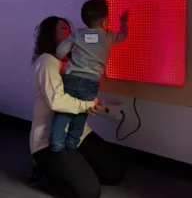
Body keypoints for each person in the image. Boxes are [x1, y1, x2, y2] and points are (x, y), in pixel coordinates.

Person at [29, 16, 125, 198]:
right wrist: (87, 104)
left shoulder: (74, 63)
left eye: (69, 28)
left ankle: (73, 166)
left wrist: (93, 106)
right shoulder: (47, 61)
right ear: (50, 34)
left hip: (77, 133)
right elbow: (57, 101)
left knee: (115, 173)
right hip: (49, 139)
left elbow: (81, 97)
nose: (69, 32)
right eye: (63, 28)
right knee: (90, 192)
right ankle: (44, 172)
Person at [50, 0, 128, 152]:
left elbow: (60, 51)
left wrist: (59, 58)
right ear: (105, 21)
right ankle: (72, 145)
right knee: (81, 114)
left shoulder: (79, 34)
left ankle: (56, 144)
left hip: (71, 79)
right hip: (90, 83)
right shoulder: (108, 35)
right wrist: (123, 22)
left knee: (64, 112)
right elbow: (123, 35)